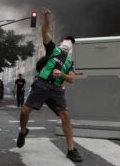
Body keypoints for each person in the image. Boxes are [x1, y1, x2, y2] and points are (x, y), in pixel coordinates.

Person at [16, 9, 82, 162]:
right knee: (25, 111)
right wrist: (47, 19)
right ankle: (23, 131)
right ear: (60, 43)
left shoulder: (70, 62)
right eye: (66, 40)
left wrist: (62, 75)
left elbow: (72, 78)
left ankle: (71, 149)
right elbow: (44, 32)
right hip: (42, 84)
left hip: (56, 90)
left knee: (65, 116)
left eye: (71, 41)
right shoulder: (53, 49)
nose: (68, 42)